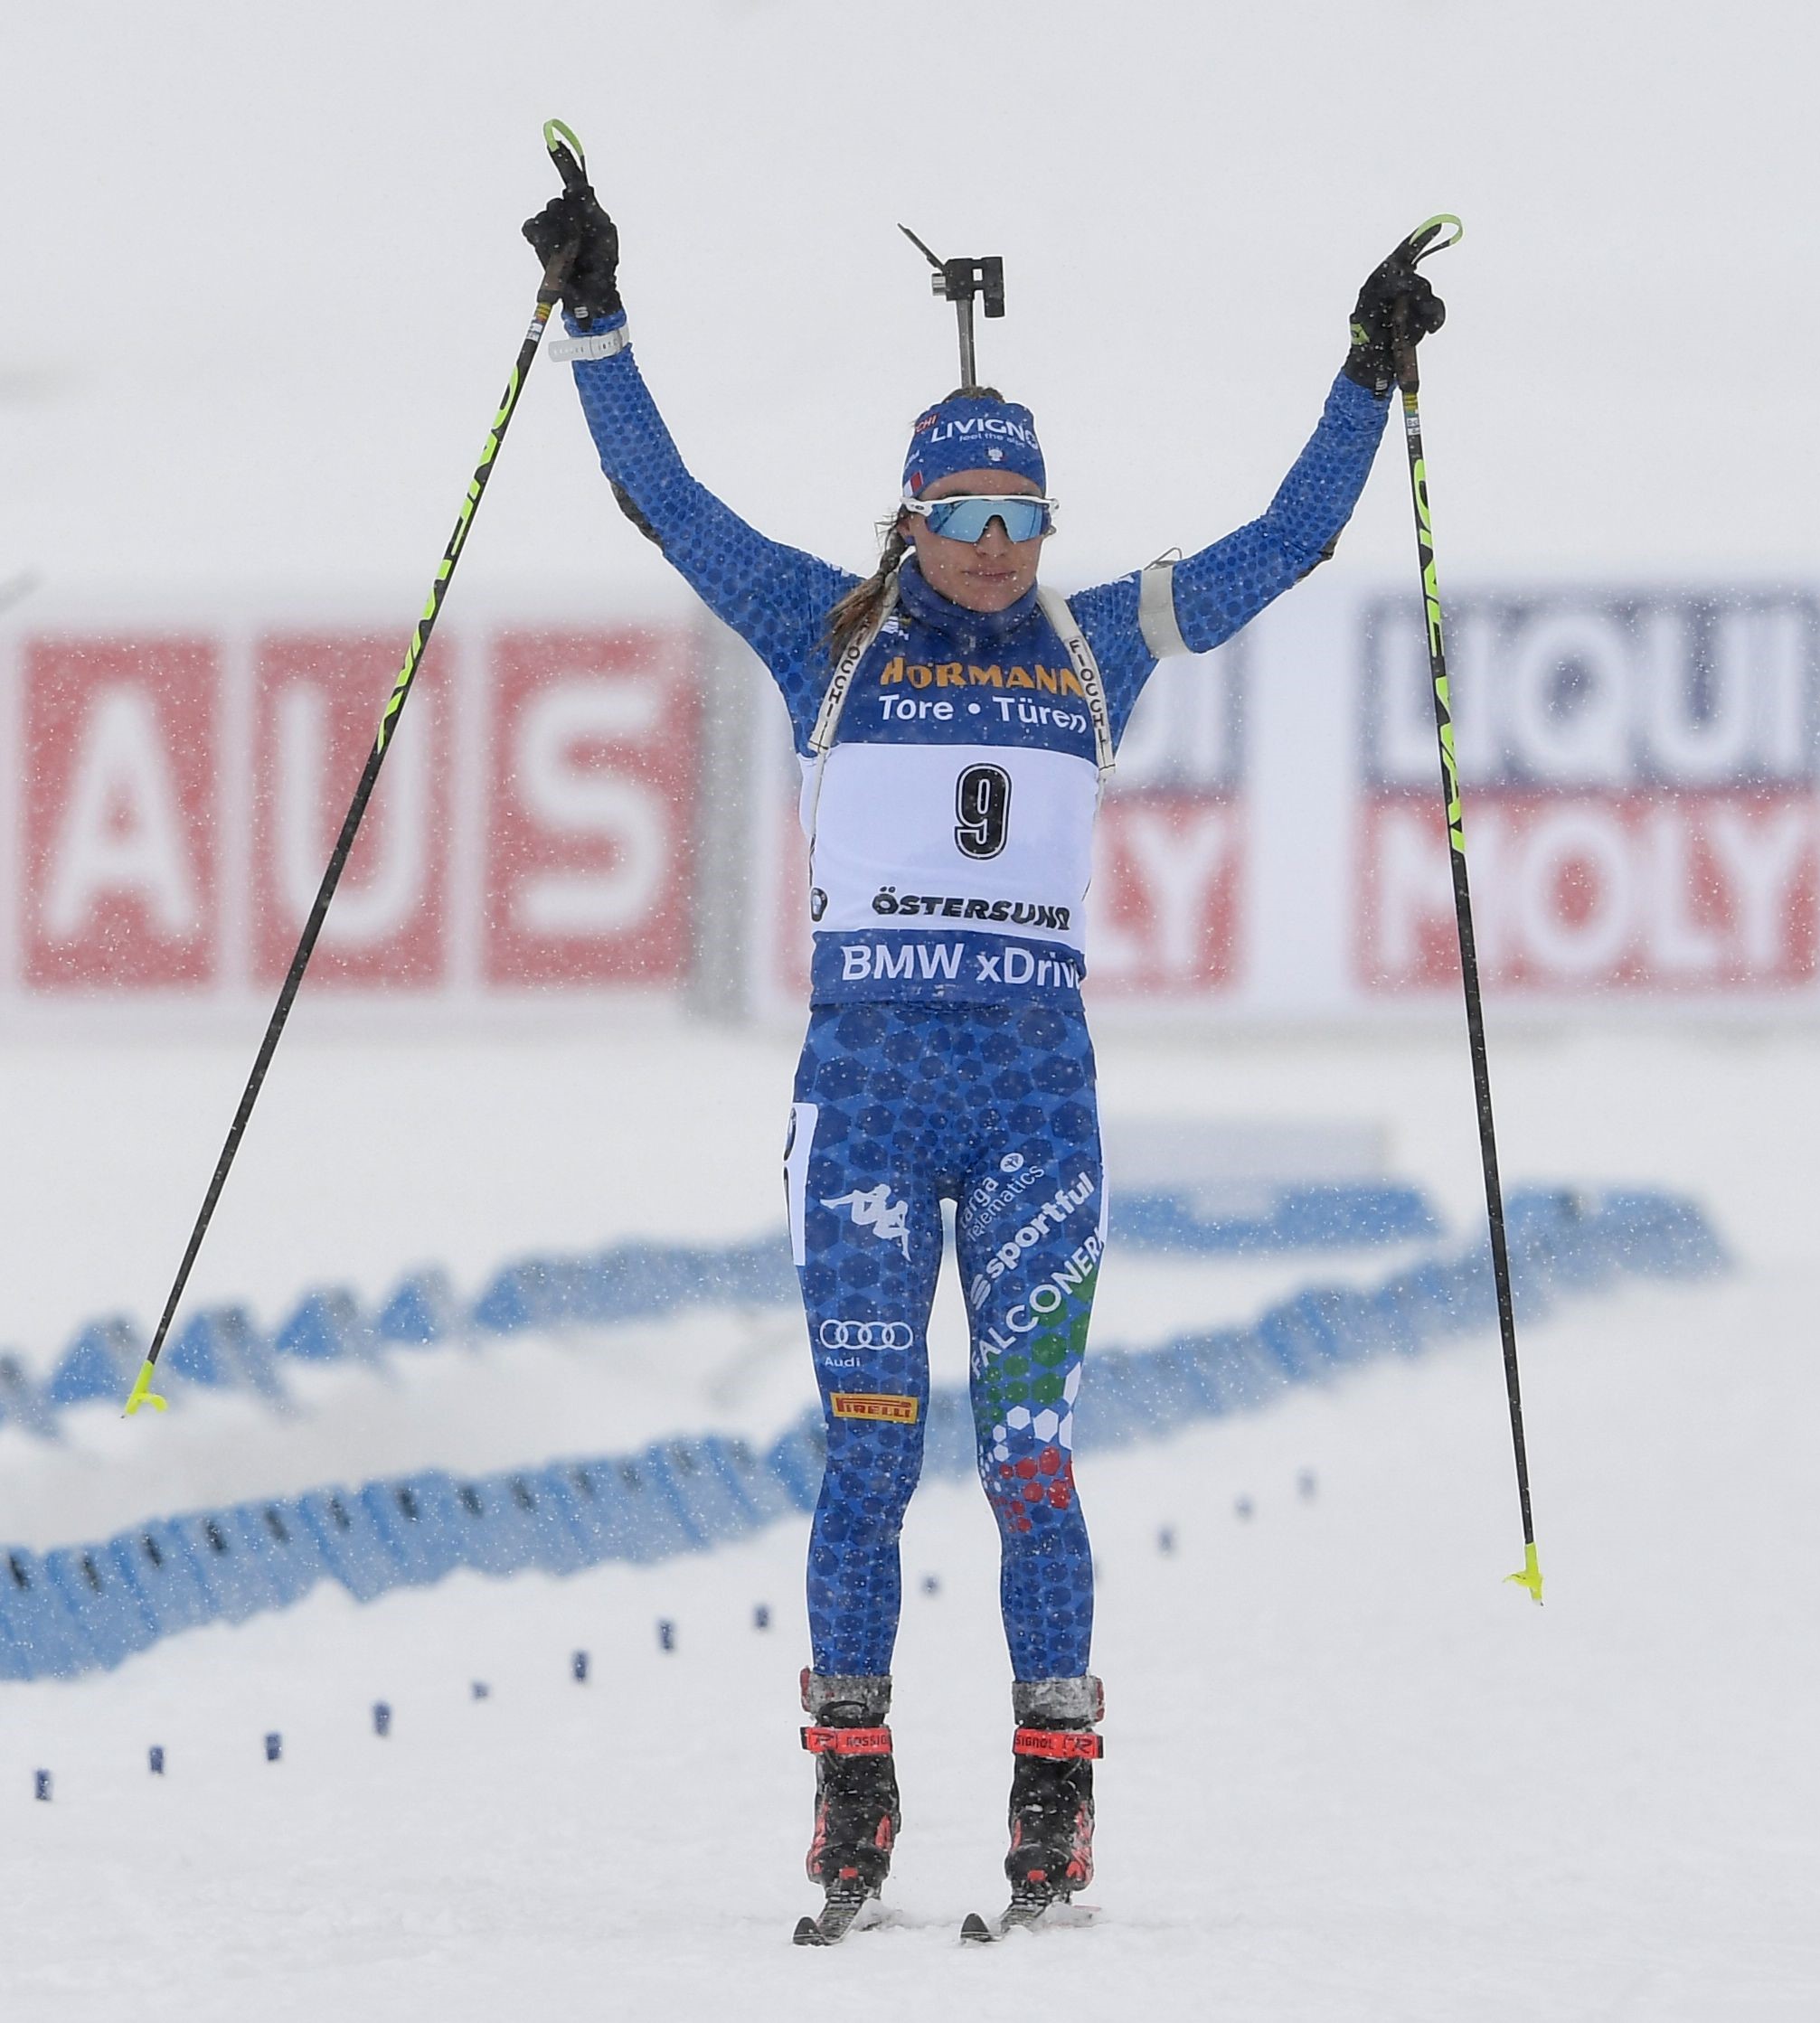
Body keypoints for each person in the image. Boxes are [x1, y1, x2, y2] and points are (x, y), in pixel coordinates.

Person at [522, 178, 1443, 1934]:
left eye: (1024, 509)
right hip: (869, 1097)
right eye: (967, 510)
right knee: (868, 1454)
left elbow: (1289, 544)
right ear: (916, 511)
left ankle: (1053, 1798)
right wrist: (597, 314)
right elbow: (664, 500)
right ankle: (851, 1788)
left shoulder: (1098, 641)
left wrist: (1365, 376)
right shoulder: (831, 633)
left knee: (1030, 1459)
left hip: (1035, 1109)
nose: (1000, 542)